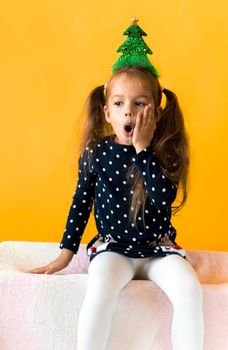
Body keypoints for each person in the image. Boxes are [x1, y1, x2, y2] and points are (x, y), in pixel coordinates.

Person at [27, 18, 204, 350]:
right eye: (120, 104)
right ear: (107, 110)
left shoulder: (166, 150)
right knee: (100, 288)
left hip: (157, 251)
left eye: (140, 104)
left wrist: (143, 149)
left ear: (157, 110)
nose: (129, 114)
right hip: (114, 249)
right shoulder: (97, 152)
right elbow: (81, 202)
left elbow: (163, 198)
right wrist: (65, 255)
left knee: (189, 290)